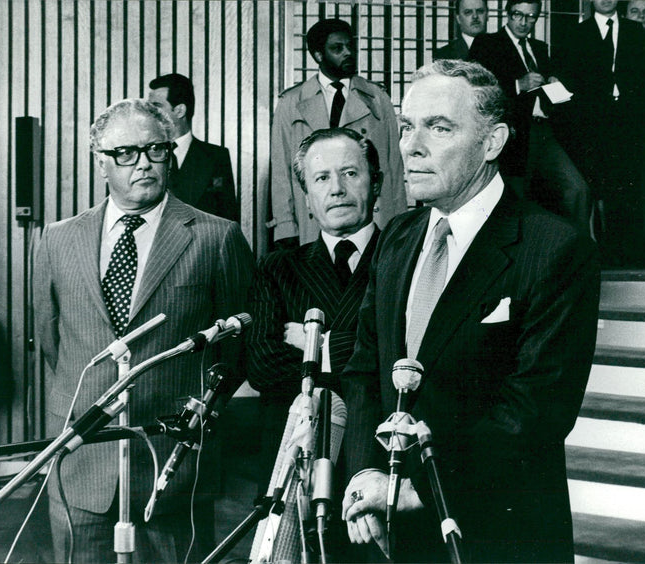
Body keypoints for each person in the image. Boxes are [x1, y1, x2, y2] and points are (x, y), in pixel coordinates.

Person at [340, 60, 600, 563]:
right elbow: (362, 371)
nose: (411, 146)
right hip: (389, 533)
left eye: (439, 128)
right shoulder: (397, 238)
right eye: (407, 126)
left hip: (497, 532)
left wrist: (416, 491)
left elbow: (534, 410)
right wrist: (364, 475)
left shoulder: (554, 249)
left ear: (493, 142)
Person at [34, 99, 254, 563]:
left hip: (173, 463)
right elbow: (51, 343)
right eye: (126, 154)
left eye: (156, 150)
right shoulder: (57, 239)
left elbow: (234, 351)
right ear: (100, 162)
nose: (143, 165)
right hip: (81, 460)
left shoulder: (217, 237)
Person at [247, 127, 383, 559]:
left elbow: (403, 358)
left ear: (375, 183)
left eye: (350, 173)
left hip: (372, 463)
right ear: (305, 196)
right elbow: (264, 366)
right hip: (295, 465)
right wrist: (358, 347)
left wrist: (316, 347)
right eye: (321, 178)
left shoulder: (404, 256)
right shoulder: (278, 268)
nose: (337, 189)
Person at [269, 18, 406, 248]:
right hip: (314, 221)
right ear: (318, 55)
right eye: (337, 48)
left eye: (350, 46)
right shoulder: (291, 103)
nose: (348, 53)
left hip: (372, 219)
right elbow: (282, 173)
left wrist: (399, 226)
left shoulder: (377, 97)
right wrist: (286, 228)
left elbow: (394, 164)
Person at [469, 0, 591, 233]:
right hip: (512, 138)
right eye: (518, 15)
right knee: (517, 203)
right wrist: (517, 84)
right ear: (507, 14)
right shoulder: (488, 44)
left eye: (531, 17)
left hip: (544, 134)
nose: (524, 22)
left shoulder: (540, 48)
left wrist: (555, 87)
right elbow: (478, 90)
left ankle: (576, 257)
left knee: (577, 190)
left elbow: (549, 95)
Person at [554, 0, 645, 266]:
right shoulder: (576, 34)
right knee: (595, 189)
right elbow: (566, 80)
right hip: (591, 126)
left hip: (628, 123)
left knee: (626, 190)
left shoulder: (636, 31)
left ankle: (626, 254)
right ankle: (598, 254)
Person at [148, 73, 239, 221]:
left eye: (156, 107)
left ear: (179, 111)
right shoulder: (142, 155)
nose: (149, 114)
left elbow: (228, 219)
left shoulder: (216, 157)